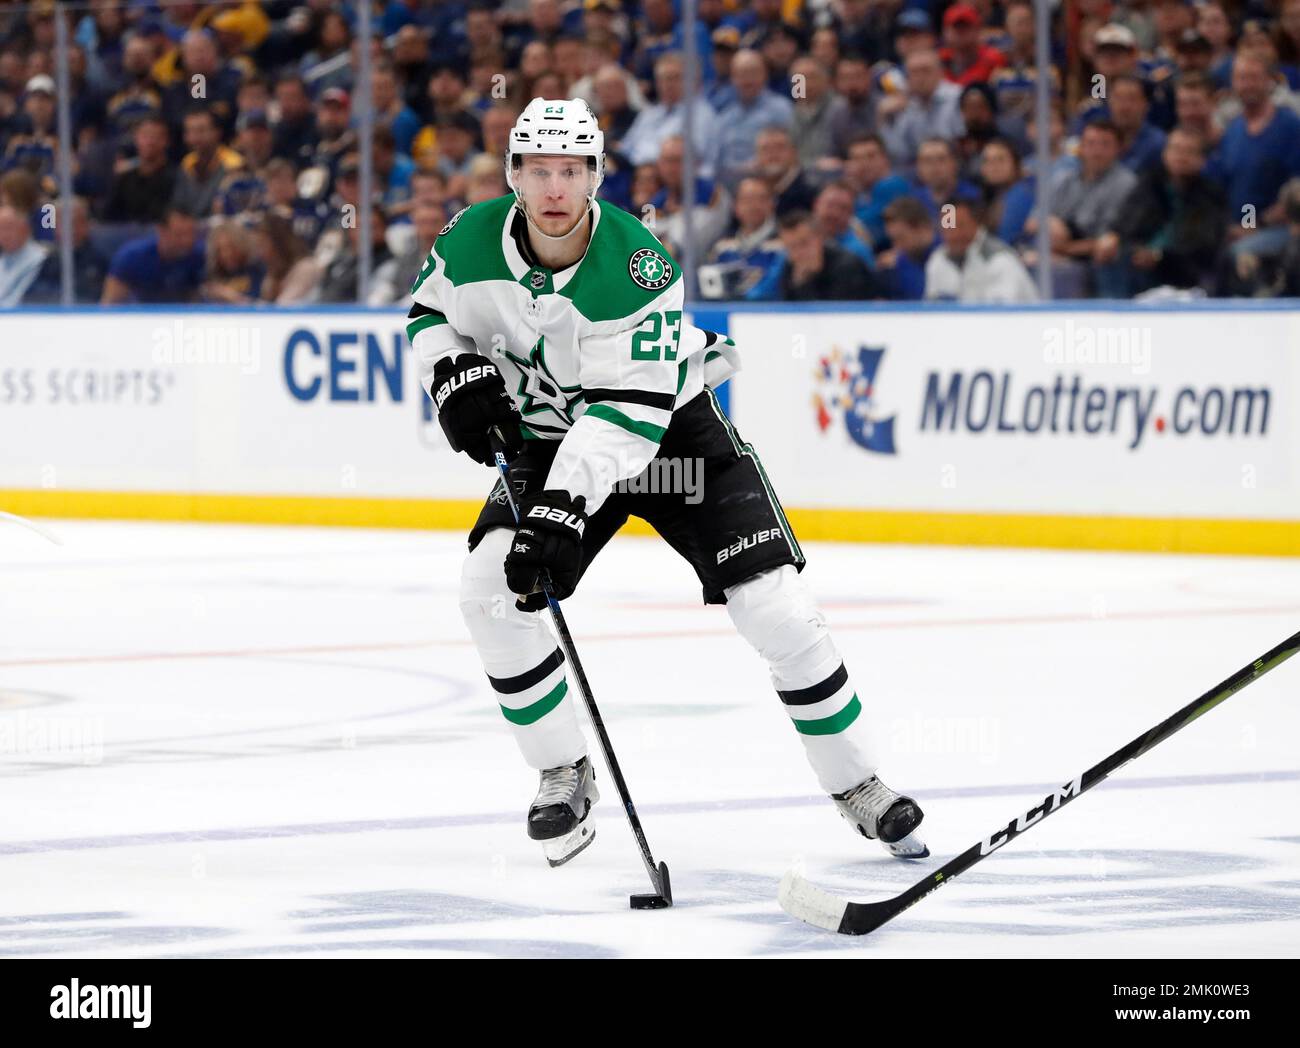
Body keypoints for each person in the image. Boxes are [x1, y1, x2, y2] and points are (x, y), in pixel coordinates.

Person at [406, 98, 926, 867]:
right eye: (539, 171)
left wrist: (560, 511)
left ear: (596, 176)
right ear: (513, 175)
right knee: (489, 591)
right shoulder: (467, 239)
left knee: (774, 607)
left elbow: (630, 416)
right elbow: (426, 314)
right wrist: (450, 369)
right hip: (554, 443)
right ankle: (562, 770)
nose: (556, 188)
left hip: (668, 436)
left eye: (572, 171)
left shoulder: (640, 266)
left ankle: (859, 786)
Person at [924, 196, 1038, 302]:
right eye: (947, 228)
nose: (952, 235)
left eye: (960, 226)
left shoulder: (1000, 260)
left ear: (977, 223)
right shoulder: (938, 260)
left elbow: (1001, 314)